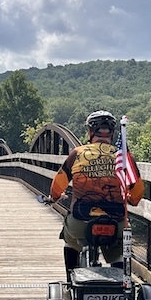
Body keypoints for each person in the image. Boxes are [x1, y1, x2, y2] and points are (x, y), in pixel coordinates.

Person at [48, 110, 144, 280]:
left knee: (69, 240)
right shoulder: (123, 156)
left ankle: (70, 282)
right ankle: (121, 286)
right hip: (116, 220)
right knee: (117, 250)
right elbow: (137, 195)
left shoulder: (77, 153)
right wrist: (128, 199)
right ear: (112, 133)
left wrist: (55, 197)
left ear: (90, 132)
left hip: (81, 219)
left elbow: (57, 186)